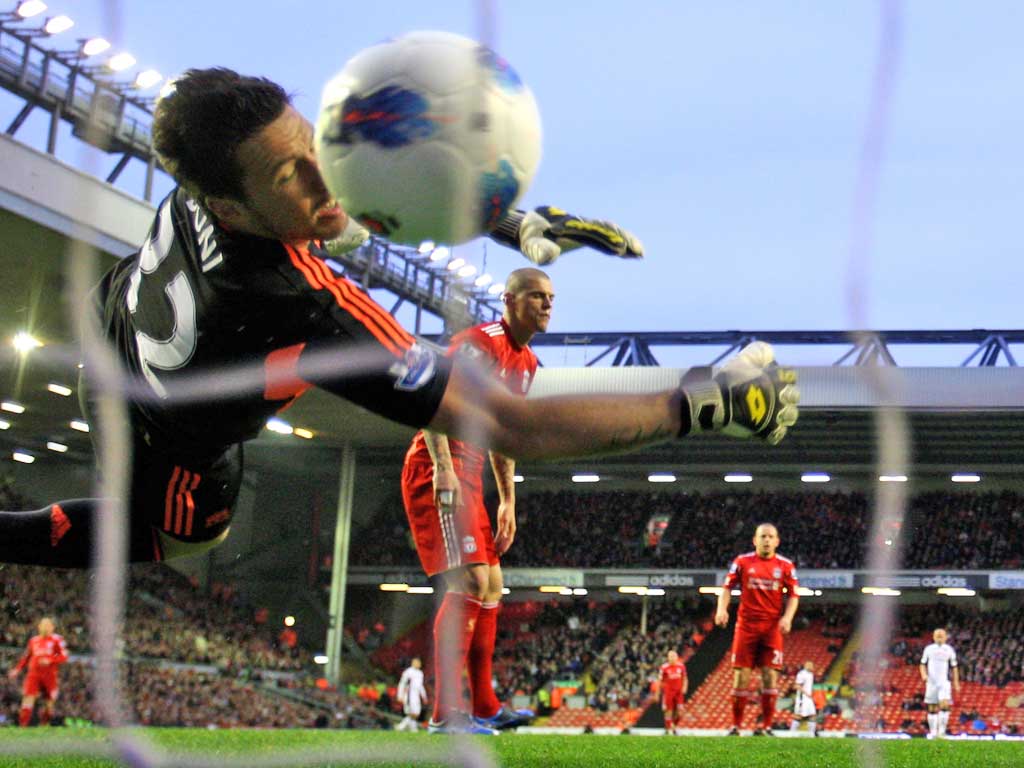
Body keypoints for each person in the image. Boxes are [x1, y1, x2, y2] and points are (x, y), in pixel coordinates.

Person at [0, 67, 799, 569]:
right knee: (180, 541)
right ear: (231, 207)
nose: (323, 176)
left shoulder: (211, 173)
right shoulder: (300, 307)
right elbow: (508, 426)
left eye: (309, 144)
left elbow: (345, 206)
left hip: (115, 337)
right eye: (292, 171)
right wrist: (698, 401)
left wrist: (510, 222)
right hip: (158, 431)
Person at [402, 266, 550, 734]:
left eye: (551, 298)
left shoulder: (526, 365)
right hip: (436, 466)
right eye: (536, 296)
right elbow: (434, 396)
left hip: (470, 473)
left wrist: (509, 500)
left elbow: (503, 436)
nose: (547, 305)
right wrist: (443, 466)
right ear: (508, 300)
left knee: (491, 586)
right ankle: (445, 715)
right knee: (469, 581)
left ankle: (485, 706)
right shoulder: (481, 343)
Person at [715, 523, 799, 736]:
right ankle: (736, 726)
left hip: (771, 628)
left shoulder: (786, 566)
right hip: (746, 627)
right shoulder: (742, 562)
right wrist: (721, 610)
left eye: (771, 537)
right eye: (763, 536)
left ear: (777, 541)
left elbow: (794, 596)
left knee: (770, 677)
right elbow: (726, 588)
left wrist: (787, 618)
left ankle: (766, 727)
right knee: (741, 678)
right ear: (755, 540)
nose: (767, 540)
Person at [7, 617, 68, 727]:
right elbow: (26, 657)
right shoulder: (33, 640)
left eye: (48, 625)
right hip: (34, 674)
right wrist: (17, 669)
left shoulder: (57, 640)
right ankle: (23, 726)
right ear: (39, 627)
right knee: (28, 698)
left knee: (49, 703)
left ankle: (44, 725)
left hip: (50, 676)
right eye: (43, 625)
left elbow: (64, 657)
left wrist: (50, 660)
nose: (45, 627)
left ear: (52, 627)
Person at [920, 627, 959, 738]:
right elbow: (922, 663)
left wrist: (956, 682)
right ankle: (933, 732)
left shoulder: (949, 650)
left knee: (944, 705)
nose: (939, 637)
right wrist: (924, 675)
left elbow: (954, 666)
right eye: (937, 635)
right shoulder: (928, 649)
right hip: (931, 682)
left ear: (946, 637)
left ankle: (942, 732)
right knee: (932, 707)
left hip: (944, 682)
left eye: (941, 635)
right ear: (933, 637)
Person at [658, 649, 688, 735]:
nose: (672, 658)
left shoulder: (681, 666)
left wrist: (684, 687)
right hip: (668, 692)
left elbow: (685, 678)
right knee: (669, 711)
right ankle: (668, 730)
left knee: (680, 711)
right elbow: (660, 680)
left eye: (674, 656)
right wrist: (658, 692)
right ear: (667, 658)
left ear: (677, 657)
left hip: (678, 692)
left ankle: (673, 726)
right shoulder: (664, 667)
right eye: (670, 656)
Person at [396, 657, 428, 732]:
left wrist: (424, 696)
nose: (418, 664)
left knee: (416, 712)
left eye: (419, 663)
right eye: (416, 662)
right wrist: (400, 695)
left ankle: (410, 728)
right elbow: (402, 683)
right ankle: (402, 727)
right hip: (409, 694)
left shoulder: (420, 673)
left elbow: (420, 685)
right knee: (413, 712)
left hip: (416, 695)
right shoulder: (408, 672)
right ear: (412, 663)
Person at [789, 660, 817, 735]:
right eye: (809, 665)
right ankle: (791, 733)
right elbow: (797, 686)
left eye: (812, 665)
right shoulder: (801, 674)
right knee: (799, 716)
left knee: (813, 714)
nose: (811, 667)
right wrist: (806, 693)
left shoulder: (811, 674)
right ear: (805, 666)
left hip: (809, 698)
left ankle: (811, 734)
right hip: (802, 698)